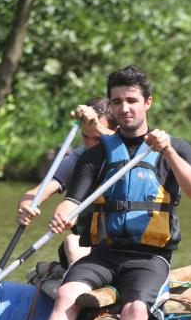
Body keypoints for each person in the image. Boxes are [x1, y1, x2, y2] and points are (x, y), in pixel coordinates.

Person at [15, 65, 191, 320]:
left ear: (148, 102)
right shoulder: (95, 155)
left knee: (135, 310)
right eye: (117, 101)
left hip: (150, 256)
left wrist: (169, 152)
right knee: (65, 293)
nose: (124, 108)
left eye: (131, 100)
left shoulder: (175, 148)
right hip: (104, 253)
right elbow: (71, 201)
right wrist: (62, 216)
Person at [16, 97, 117, 267]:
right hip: (88, 246)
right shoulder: (78, 158)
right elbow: (35, 193)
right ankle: (83, 287)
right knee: (72, 242)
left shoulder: (132, 154)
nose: (91, 145)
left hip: (127, 245)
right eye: (85, 137)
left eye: (97, 138)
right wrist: (26, 206)